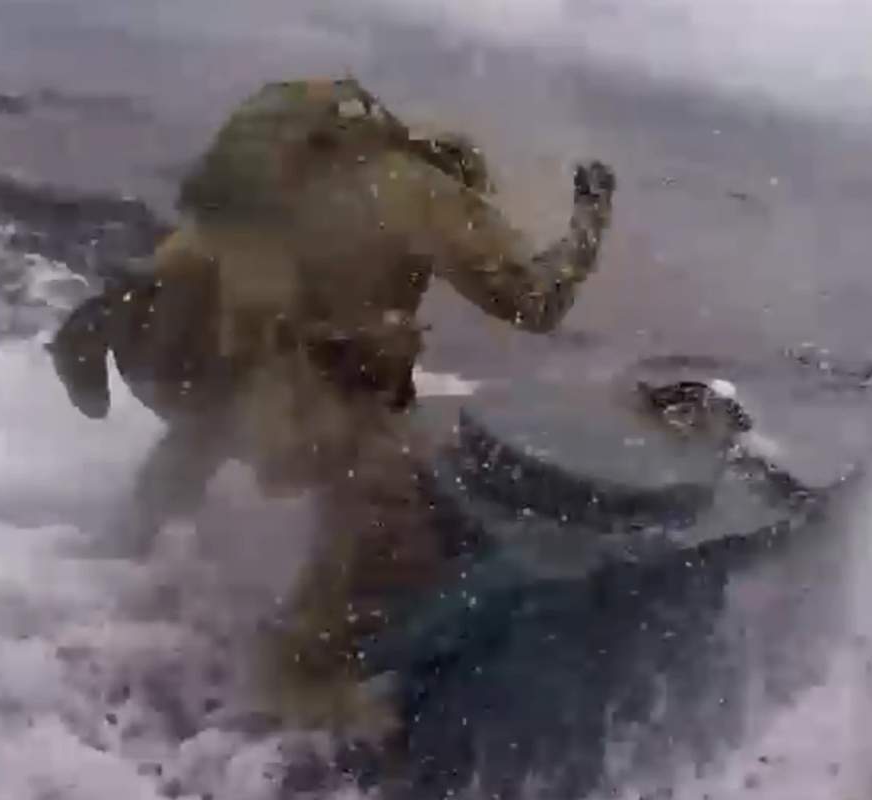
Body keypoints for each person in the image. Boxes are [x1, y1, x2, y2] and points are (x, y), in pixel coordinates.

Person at [48, 77, 617, 735]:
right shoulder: (425, 192)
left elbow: (177, 268)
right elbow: (536, 303)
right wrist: (589, 222)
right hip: (306, 404)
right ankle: (300, 695)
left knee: (199, 443)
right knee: (382, 501)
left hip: (214, 379)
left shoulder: (289, 182)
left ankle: (108, 569)